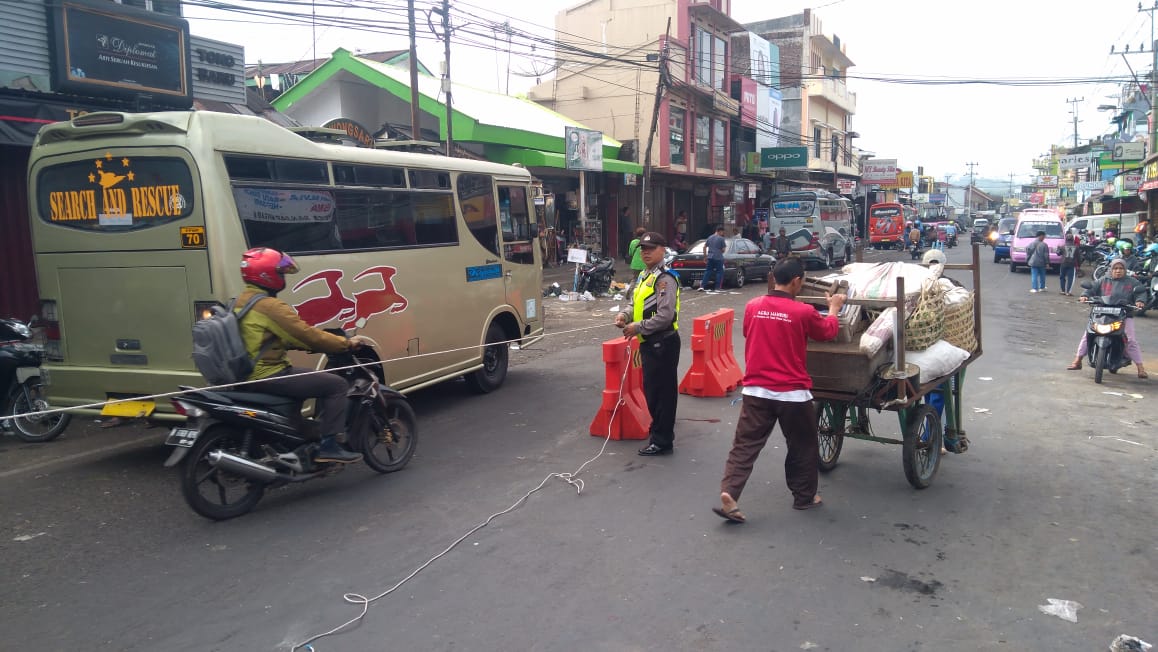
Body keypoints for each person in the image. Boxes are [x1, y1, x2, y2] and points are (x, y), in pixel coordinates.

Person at [713, 257, 846, 523]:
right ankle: (805, 497)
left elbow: (750, 333)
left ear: (773, 278)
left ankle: (730, 492)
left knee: (744, 446)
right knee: (802, 445)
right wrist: (833, 308)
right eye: (803, 280)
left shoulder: (753, 306)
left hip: (755, 391)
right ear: (797, 281)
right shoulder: (804, 312)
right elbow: (828, 332)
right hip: (792, 394)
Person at [235, 247, 369, 464]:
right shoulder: (270, 306)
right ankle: (329, 446)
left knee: (301, 397)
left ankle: (294, 448)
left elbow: (271, 338)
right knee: (336, 385)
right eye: (280, 273)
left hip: (244, 374)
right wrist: (344, 343)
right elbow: (307, 334)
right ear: (267, 275)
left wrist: (307, 345)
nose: (283, 278)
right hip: (268, 374)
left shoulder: (240, 302)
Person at [614, 232, 682, 455]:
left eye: (651, 248)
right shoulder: (645, 275)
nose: (645, 252)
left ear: (663, 249)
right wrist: (625, 316)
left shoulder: (665, 279)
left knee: (662, 394)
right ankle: (659, 431)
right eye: (643, 249)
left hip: (662, 343)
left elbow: (665, 316)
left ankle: (662, 441)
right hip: (650, 343)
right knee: (653, 392)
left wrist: (637, 327)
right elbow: (635, 303)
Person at [1067, 258, 1148, 379]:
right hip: (1101, 313)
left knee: (1130, 339)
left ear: (1125, 270)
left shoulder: (1132, 282)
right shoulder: (1103, 280)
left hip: (1124, 315)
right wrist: (1084, 296)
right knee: (1088, 334)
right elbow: (1091, 288)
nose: (1118, 271)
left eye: (1121, 268)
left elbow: (1140, 293)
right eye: (1115, 268)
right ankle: (1077, 361)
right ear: (1111, 269)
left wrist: (1140, 301)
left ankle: (1140, 368)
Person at [700, 225, 727, 292]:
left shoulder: (709, 237)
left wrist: (705, 256)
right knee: (719, 272)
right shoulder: (721, 239)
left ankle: (702, 286)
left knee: (708, 271)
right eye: (722, 232)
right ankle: (717, 288)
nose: (723, 233)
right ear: (720, 231)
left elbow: (704, 247)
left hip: (710, 257)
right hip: (718, 257)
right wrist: (720, 250)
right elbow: (723, 250)